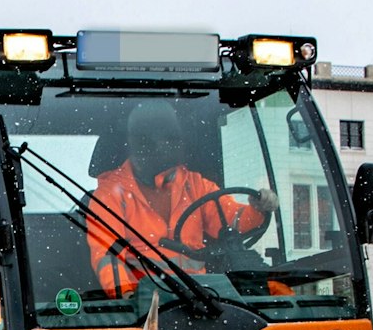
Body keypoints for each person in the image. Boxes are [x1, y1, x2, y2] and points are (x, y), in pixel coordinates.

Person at [85, 102, 277, 298]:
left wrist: (256, 209)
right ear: (142, 143)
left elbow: (231, 221)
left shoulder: (194, 185)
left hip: (202, 299)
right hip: (145, 304)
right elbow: (108, 256)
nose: (178, 146)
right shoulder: (109, 196)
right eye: (170, 139)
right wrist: (128, 299)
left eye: (176, 139)